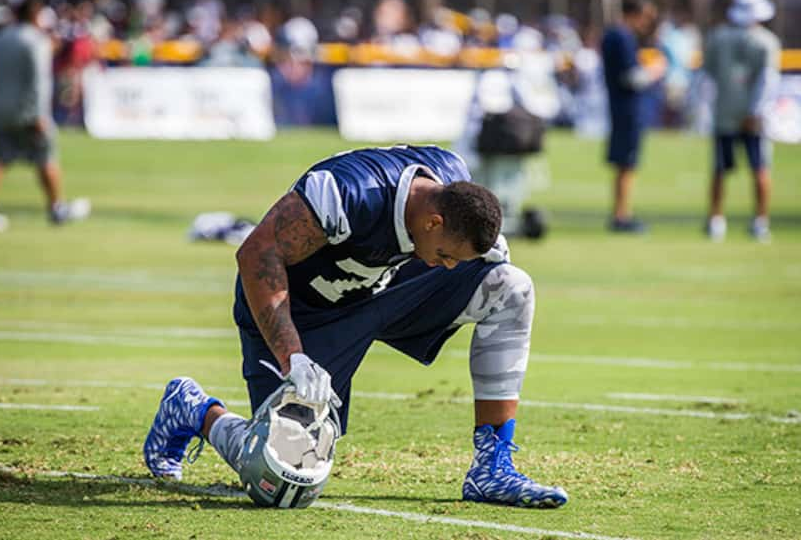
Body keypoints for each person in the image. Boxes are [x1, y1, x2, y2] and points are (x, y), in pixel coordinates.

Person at [143, 145, 569, 509]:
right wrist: (292, 356)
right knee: (281, 480)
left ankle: (492, 468)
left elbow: (462, 233)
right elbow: (257, 254)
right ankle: (196, 411)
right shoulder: (346, 193)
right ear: (432, 222)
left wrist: (479, 254)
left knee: (509, 287)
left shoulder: (450, 181)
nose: (450, 266)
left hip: (386, 287)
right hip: (305, 309)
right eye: (447, 254)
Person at [0, 0, 90, 232]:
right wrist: (38, 114)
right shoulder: (36, 41)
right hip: (27, 111)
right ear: (35, 14)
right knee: (45, 157)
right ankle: (56, 207)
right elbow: (39, 81)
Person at [702, 0, 780, 243]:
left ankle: (716, 220)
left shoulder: (718, 37)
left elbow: (708, 76)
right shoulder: (766, 41)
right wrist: (755, 110)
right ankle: (760, 221)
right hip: (753, 116)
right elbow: (767, 81)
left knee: (721, 169)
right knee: (759, 167)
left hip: (725, 110)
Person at [601, 0, 666, 233]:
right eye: (646, 16)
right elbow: (631, 78)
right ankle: (621, 215)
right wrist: (655, 70)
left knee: (625, 163)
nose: (648, 22)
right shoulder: (621, 36)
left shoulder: (616, 35)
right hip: (627, 108)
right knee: (626, 163)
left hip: (623, 107)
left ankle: (621, 213)